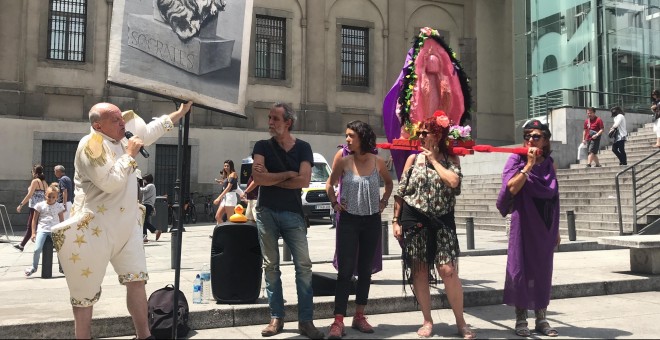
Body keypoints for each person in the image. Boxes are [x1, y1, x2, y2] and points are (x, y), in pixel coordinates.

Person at [50, 100, 192, 339]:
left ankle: (144, 335)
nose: (121, 123)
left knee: (137, 281)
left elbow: (150, 131)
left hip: (126, 227)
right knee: (85, 294)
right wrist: (129, 155)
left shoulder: (123, 138)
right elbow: (109, 183)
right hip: (94, 228)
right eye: (115, 120)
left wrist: (179, 113)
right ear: (98, 125)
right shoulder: (90, 145)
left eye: (121, 118)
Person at [391, 112, 476, 339]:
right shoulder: (412, 160)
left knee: (447, 270)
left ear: (437, 136)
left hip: (442, 218)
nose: (420, 136)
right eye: (419, 133)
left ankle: (461, 321)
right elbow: (401, 192)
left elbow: (454, 182)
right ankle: (427, 320)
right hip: (415, 217)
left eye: (425, 133)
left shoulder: (450, 159)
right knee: (419, 270)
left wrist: (435, 161)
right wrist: (395, 220)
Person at [251, 102, 323, 339]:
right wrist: (286, 175)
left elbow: (303, 181)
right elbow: (258, 178)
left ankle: (306, 321)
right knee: (270, 266)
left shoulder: (304, 148)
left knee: (303, 266)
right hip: (266, 211)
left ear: (288, 122)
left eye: (275, 119)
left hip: (292, 212)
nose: (270, 123)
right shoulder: (261, 146)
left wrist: (272, 179)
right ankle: (276, 317)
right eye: (269, 118)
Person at [325, 120, 393, 339]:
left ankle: (359, 315)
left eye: (351, 135)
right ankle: (338, 320)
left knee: (365, 271)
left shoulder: (378, 162)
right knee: (345, 272)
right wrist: (335, 204)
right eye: (347, 135)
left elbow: (389, 184)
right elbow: (329, 184)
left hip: (371, 222)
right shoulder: (343, 161)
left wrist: (383, 202)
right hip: (348, 222)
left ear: (362, 137)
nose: (347, 139)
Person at [496, 119, 560, 337]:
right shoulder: (516, 158)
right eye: (527, 136)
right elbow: (510, 188)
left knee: (543, 270)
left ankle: (541, 318)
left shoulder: (550, 164)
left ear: (545, 140)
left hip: (545, 225)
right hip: (522, 222)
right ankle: (521, 318)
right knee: (520, 269)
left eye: (535, 136)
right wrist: (528, 165)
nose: (530, 140)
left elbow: (554, 199)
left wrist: (557, 229)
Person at [24, 183, 65, 277]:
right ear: (45, 195)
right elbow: (34, 220)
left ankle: (62, 268)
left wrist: (62, 232)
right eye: (49, 196)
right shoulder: (39, 205)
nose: (50, 199)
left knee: (61, 249)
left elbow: (62, 221)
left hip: (55, 230)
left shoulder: (59, 206)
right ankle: (33, 267)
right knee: (37, 249)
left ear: (56, 197)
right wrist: (33, 233)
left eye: (53, 197)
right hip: (42, 229)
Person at [14, 164, 49, 252]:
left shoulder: (35, 181)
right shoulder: (45, 183)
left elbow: (29, 195)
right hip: (42, 207)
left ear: (35, 172)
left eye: (32, 172)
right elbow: (46, 195)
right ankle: (22, 245)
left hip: (34, 207)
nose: (32, 173)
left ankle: (22, 245)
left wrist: (21, 205)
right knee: (38, 226)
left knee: (31, 226)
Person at [140, 173, 161, 242]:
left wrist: (137, 187)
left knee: (143, 221)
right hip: (148, 205)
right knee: (144, 221)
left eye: (144, 179)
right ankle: (154, 232)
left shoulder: (150, 185)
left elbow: (143, 190)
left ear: (147, 180)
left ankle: (146, 235)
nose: (143, 181)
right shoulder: (151, 186)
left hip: (147, 205)